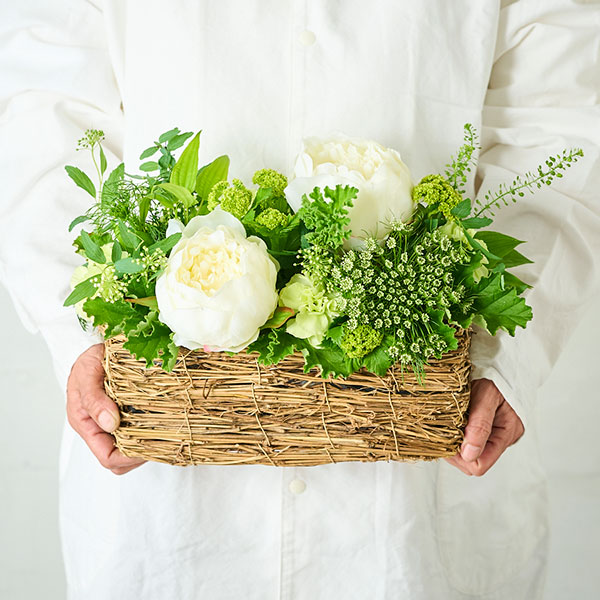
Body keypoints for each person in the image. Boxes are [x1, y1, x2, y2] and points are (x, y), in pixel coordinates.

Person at [1, 0, 598, 598]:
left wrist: (507, 357)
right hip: (163, 475)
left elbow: (559, 118)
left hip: (424, 472)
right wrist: (77, 330)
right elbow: (45, 106)